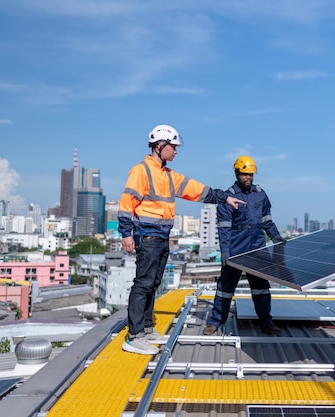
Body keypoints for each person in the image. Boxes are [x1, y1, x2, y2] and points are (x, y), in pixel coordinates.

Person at [119, 124, 245, 355]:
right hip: (146, 236)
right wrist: (126, 234)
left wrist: (225, 198)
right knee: (143, 284)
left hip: (161, 236)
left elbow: (197, 190)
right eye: (173, 147)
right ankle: (134, 336)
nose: (176, 151)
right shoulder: (141, 171)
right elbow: (127, 204)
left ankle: (146, 328)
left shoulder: (167, 175)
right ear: (160, 146)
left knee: (153, 283)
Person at [203, 155, 285, 336]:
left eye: (251, 174)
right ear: (236, 173)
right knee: (225, 288)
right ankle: (215, 322)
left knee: (261, 288)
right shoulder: (228, 197)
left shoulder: (260, 194)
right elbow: (223, 228)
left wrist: (276, 236)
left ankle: (266, 323)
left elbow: (267, 220)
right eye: (245, 174)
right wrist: (225, 251)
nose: (248, 177)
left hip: (257, 248)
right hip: (236, 250)